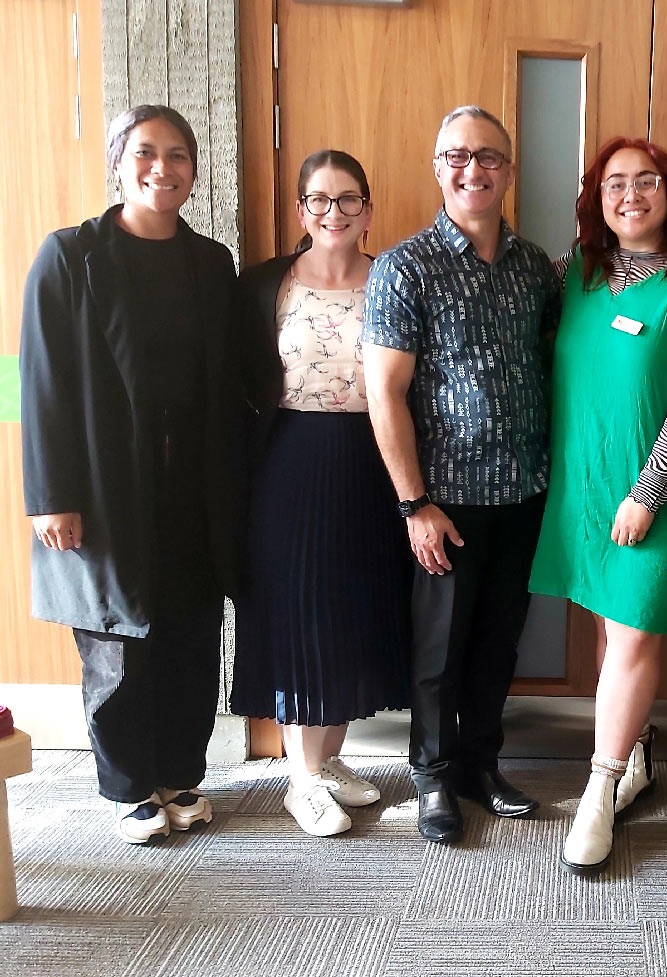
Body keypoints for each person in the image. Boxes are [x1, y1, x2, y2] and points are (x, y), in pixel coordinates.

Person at [19, 105, 240, 843]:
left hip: (193, 487)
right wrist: (52, 496)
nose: (163, 168)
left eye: (179, 155)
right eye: (147, 152)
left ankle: (181, 772)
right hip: (107, 486)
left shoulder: (211, 262)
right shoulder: (70, 256)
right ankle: (127, 787)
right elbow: (44, 384)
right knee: (115, 643)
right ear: (119, 162)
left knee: (190, 634)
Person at [528, 137, 667, 875]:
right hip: (582, 492)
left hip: (659, 495)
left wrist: (647, 493)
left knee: (636, 632)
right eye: (615, 182)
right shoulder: (568, 274)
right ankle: (634, 757)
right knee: (612, 631)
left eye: (647, 180)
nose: (631, 193)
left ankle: (600, 784)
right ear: (596, 197)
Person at [361, 106, 559, 845]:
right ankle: (434, 778)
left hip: (522, 494)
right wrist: (414, 503)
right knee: (439, 655)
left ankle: (481, 766)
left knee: (498, 644)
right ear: (436, 166)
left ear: (508, 170)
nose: (470, 169)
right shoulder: (405, 267)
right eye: (455, 156)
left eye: (486, 157)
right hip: (443, 503)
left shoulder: (535, 265)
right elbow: (385, 393)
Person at [231, 150, 410, 837]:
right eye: (318, 199)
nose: (332, 212)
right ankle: (300, 778)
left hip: (373, 458)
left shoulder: (393, 278)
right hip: (292, 461)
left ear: (368, 208)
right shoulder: (267, 284)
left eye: (347, 199)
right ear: (302, 210)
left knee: (350, 609)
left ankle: (327, 760)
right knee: (303, 608)